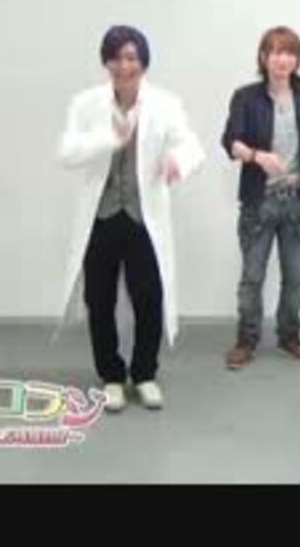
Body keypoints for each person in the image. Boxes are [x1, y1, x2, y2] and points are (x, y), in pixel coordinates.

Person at [55, 25, 205, 412]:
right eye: (117, 58)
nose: (125, 66)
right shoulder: (86, 103)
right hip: (101, 217)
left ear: (143, 62)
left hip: (143, 218)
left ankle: (144, 374)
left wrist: (178, 162)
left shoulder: (165, 103)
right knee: (99, 299)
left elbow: (191, 145)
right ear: (106, 63)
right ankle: (111, 375)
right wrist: (111, 139)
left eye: (132, 58)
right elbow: (67, 152)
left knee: (149, 297)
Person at [220, 26, 300, 370]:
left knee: (294, 277)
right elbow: (230, 141)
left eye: (290, 52)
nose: (283, 59)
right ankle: (246, 340)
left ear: (297, 59)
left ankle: (289, 336)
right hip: (259, 200)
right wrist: (257, 156)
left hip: (296, 200)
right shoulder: (246, 97)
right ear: (264, 57)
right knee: (253, 276)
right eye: (276, 52)